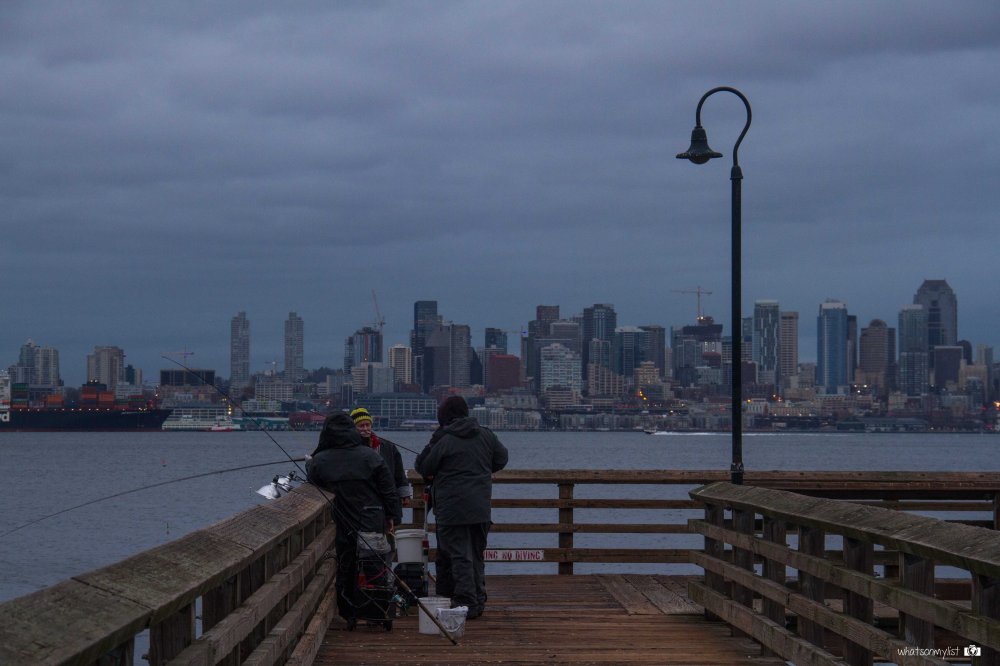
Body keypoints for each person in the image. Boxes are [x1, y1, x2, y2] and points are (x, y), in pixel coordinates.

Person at [415, 396, 508, 620]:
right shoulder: (486, 435)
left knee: (458, 556)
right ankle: (477, 597)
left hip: (451, 508)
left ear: (444, 418)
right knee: (476, 554)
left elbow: (423, 466)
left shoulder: (445, 440)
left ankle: (467, 602)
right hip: (480, 507)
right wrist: (483, 468)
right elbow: (502, 458)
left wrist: (434, 440)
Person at [306, 412, 401, 629]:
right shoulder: (371, 456)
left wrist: (311, 461)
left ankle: (348, 613)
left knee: (346, 567)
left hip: (343, 521)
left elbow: (313, 478)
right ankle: (378, 613)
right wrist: (392, 516)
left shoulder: (320, 461)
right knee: (375, 567)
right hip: (372, 518)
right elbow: (388, 490)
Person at [350, 407, 413, 508]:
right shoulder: (349, 448)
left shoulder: (388, 446)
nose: (365, 429)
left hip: (385, 497)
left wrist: (404, 494)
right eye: (361, 426)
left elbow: (399, 472)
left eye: (368, 425)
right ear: (354, 428)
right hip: (360, 499)